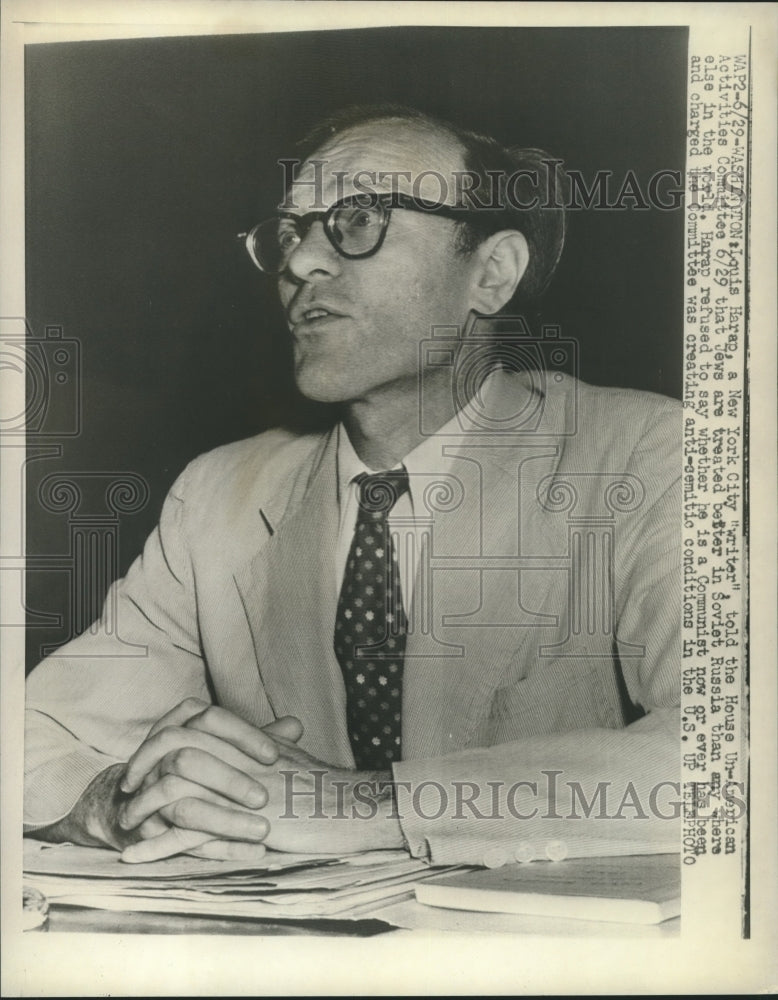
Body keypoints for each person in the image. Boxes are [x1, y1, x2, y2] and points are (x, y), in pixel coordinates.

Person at [25, 105, 681, 868]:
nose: (302, 262)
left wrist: (362, 804)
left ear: (492, 273)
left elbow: (728, 751)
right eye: (292, 231)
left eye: (359, 219)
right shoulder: (219, 496)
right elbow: (34, 733)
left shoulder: (644, 455)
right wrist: (115, 801)